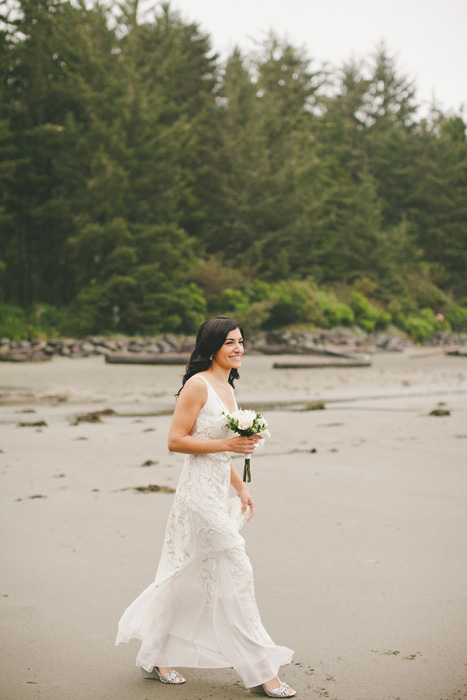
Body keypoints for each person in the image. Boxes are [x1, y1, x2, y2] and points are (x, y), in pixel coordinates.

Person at [115, 316, 296, 698]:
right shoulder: (197, 386)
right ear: (212, 346)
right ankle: (263, 671)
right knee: (238, 566)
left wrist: (241, 488)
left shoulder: (228, 389)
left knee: (186, 575)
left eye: (241, 342)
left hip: (217, 491)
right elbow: (176, 441)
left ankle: (155, 655)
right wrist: (229, 446)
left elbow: (219, 447)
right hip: (196, 496)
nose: (238, 348)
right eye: (230, 342)